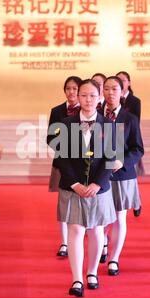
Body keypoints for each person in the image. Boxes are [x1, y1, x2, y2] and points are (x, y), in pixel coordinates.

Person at [57, 79, 116, 297]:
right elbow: (61, 158)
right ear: (77, 97)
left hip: (99, 188)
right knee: (75, 229)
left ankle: (92, 272)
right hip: (73, 187)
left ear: (100, 97)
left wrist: (97, 183)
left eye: (92, 95)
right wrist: (75, 184)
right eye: (84, 95)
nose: (88, 100)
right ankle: (77, 279)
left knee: (96, 230)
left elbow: (111, 159)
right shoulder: (65, 124)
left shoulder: (109, 125)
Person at [102, 76, 144, 276]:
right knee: (99, 218)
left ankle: (114, 258)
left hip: (123, 175)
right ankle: (101, 245)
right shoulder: (94, 117)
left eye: (114, 89)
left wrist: (122, 161)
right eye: (107, 89)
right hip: (98, 175)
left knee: (119, 217)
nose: (110, 93)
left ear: (122, 92)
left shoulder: (130, 119)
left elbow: (138, 150)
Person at [47, 76, 82, 258]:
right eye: (68, 88)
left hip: (84, 164)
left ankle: (80, 239)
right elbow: (51, 138)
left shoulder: (88, 110)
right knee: (63, 203)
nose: (71, 92)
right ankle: (64, 242)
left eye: (75, 88)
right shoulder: (57, 111)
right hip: (63, 162)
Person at [116, 71, 143, 217]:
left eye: (124, 80)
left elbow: (135, 122)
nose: (121, 82)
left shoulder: (134, 101)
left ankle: (136, 201)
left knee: (131, 174)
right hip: (115, 144)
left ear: (129, 82)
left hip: (128, 142)